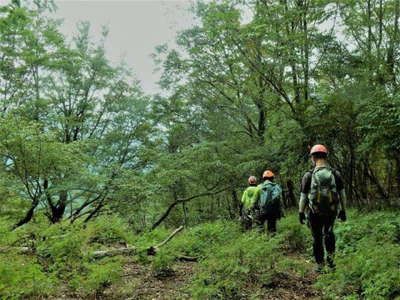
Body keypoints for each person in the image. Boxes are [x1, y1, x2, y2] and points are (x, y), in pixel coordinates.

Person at [299, 144, 347, 273]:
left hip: (314, 211)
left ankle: (320, 265)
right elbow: (342, 194)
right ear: (326, 156)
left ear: (313, 158)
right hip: (331, 210)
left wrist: (301, 212)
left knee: (317, 237)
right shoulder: (335, 173)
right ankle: (331, 263)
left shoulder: (308, 175)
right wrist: (343, 210)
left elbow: (303, 197)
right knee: (329, 233)